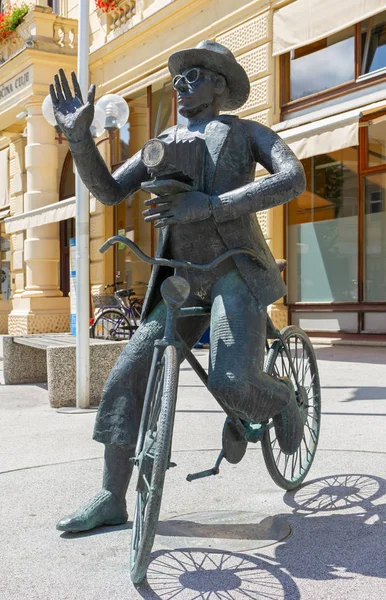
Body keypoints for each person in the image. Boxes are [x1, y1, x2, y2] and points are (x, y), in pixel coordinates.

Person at [51, 41, 306, 533]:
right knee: (126, 376)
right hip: (182, 281)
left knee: (231, 379)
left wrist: (209, 206)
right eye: (179, 75)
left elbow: (292, 178)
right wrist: (80, 142)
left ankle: (283, 401)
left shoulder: (247, 132)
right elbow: (107, 191)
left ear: (220, 85)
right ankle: (111, 495)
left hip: (236, 269)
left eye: (195, 74)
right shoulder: (162, 141)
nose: (181, 82)